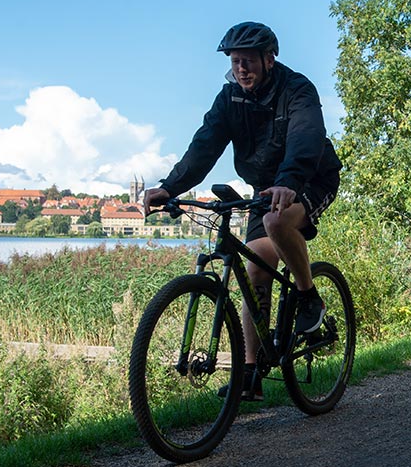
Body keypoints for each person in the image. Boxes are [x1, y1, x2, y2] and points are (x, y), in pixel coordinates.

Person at [143, 21, 342, 400]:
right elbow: (205, 145)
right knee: (254, 272)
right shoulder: (229, 99)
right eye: (235, 62)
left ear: (269, 59)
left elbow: (306, 139)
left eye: (248, 61)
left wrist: (290, 180)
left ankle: (308, 294)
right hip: (265, 188)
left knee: (276, 219)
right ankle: (250, 371)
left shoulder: (297, 90)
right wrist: (170, 186)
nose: (241, 69)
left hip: (310, 178)